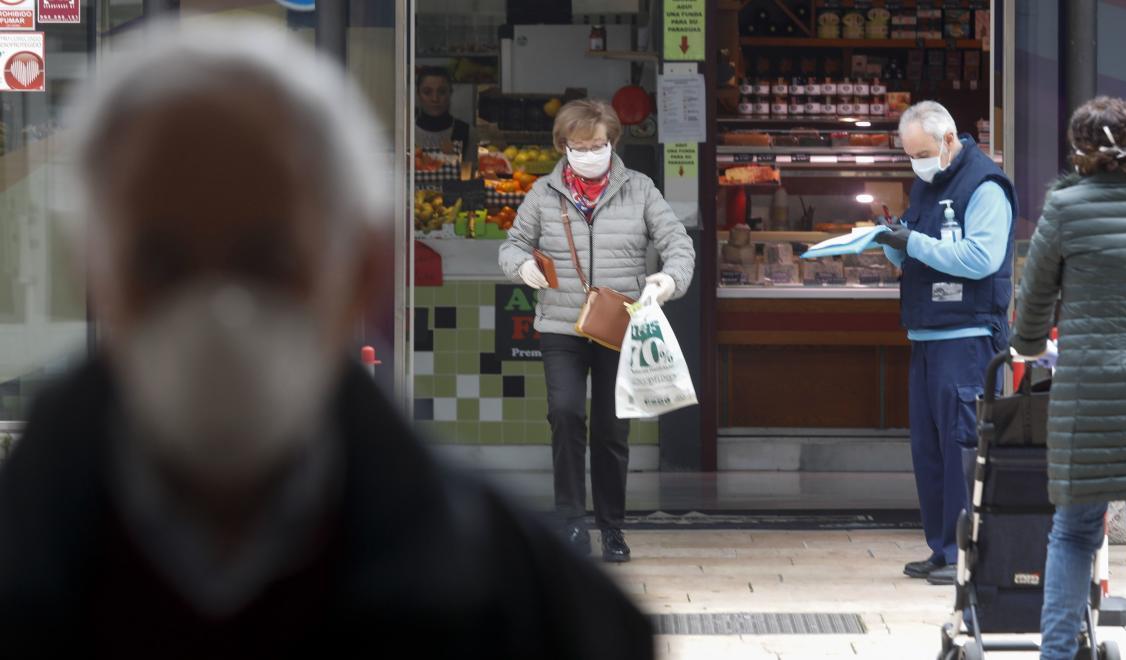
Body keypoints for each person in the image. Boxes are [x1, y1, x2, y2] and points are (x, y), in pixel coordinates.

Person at [0, 21, 654, 659]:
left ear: (362, 274)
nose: (218, 310)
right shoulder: (518, 596)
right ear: (91, 269)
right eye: (161, 263)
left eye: (267, 259)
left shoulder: (541, 615)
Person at [1012, 97, 1126, 660]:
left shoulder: (1066, 209)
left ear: (1079, 150)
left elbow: (1035, 301)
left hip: (1091, 390)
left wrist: (1025, 347)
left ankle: (1058, 653)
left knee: (1072, 534)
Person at [499, 99, 695, 563]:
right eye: (580, 146)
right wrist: (522, 267)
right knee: (565, 416)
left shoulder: (640, 189)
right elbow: (512, 245)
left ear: (613, 143)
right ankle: (570, 522)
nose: (590, 153)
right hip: (560, 326)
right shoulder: (544, 194)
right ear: (562, 146)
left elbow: (677, 242)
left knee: (612, 430)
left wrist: (670, 278)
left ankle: (612, 527)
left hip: (617, 326)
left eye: (598, 145)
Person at [873, 101, 1017, 586]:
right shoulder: (928, 181)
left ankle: (965, 553)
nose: (917, 162)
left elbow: (980, 257)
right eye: (911, 154)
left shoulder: (985, 185)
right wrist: (892, 244)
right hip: (927, 333)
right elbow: (924, 251)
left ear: (950, 140)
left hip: (969, 336)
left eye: (923, 152)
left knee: (962, 446)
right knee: (929, 449)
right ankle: (941, 547)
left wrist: (910, 242)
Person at [415, 66, 474, 160]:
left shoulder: (466, 132)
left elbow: (471, 172)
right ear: (418, 94)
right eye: (427, 92)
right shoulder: (405, 134)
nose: (435, 98)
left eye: (442, 92)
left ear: (450, 93)